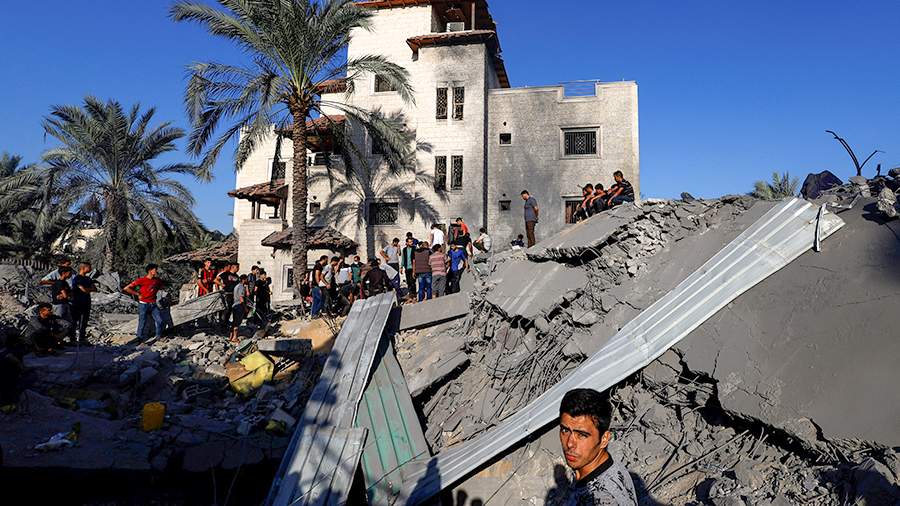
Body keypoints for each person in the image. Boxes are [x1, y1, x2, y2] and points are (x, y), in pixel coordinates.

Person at [557, 388, 638, 505]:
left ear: (604, 439)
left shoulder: (602, 499)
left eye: (582, 435)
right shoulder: (605, 465)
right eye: (565, 430)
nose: (570, 443)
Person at [123, 264, 166, 341]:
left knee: (160, 320)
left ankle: (158, 336)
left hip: (153, 304)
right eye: (155, 269)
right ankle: (140, 338)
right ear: (150, 271)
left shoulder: (157, 280)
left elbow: (161, 286)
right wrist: (137, 294)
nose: (156, 271)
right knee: (142, 322)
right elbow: (126, 288)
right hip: (143, 304)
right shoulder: (141, 280)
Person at [70, 262, 96, 344]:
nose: (91, 269)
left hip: (86, 302)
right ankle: (72, 338)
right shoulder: (77, 278)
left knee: (84, 321)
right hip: (77, 302)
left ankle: (82, 338)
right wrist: (88, 289)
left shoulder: (88, 279)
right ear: (83, 268)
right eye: (89, 267)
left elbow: (94, 288)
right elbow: (84, 290)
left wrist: (87, 289)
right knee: (74, 321)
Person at [230, 275, 249, 343]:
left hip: (235, 305)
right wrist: (245, 307)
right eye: (246, 279)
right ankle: (234, 337)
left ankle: (231, 336)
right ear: (243, 280)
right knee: (237, 322)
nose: (247, 280)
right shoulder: (241, 287)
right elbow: (241, 298)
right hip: (239, 306)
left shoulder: (237, 286)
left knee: (234, 321)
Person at [400, 237, 417, 301]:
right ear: (407, 243)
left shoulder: (414, 249)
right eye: (409, 242)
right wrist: (401, 267)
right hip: (407, 267)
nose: (411, 243)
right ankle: (410, 294)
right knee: (408, 282)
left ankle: (414, 294)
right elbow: (403, 258)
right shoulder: (404, 250)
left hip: (413, 267)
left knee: (413, 281)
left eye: (412, 242)